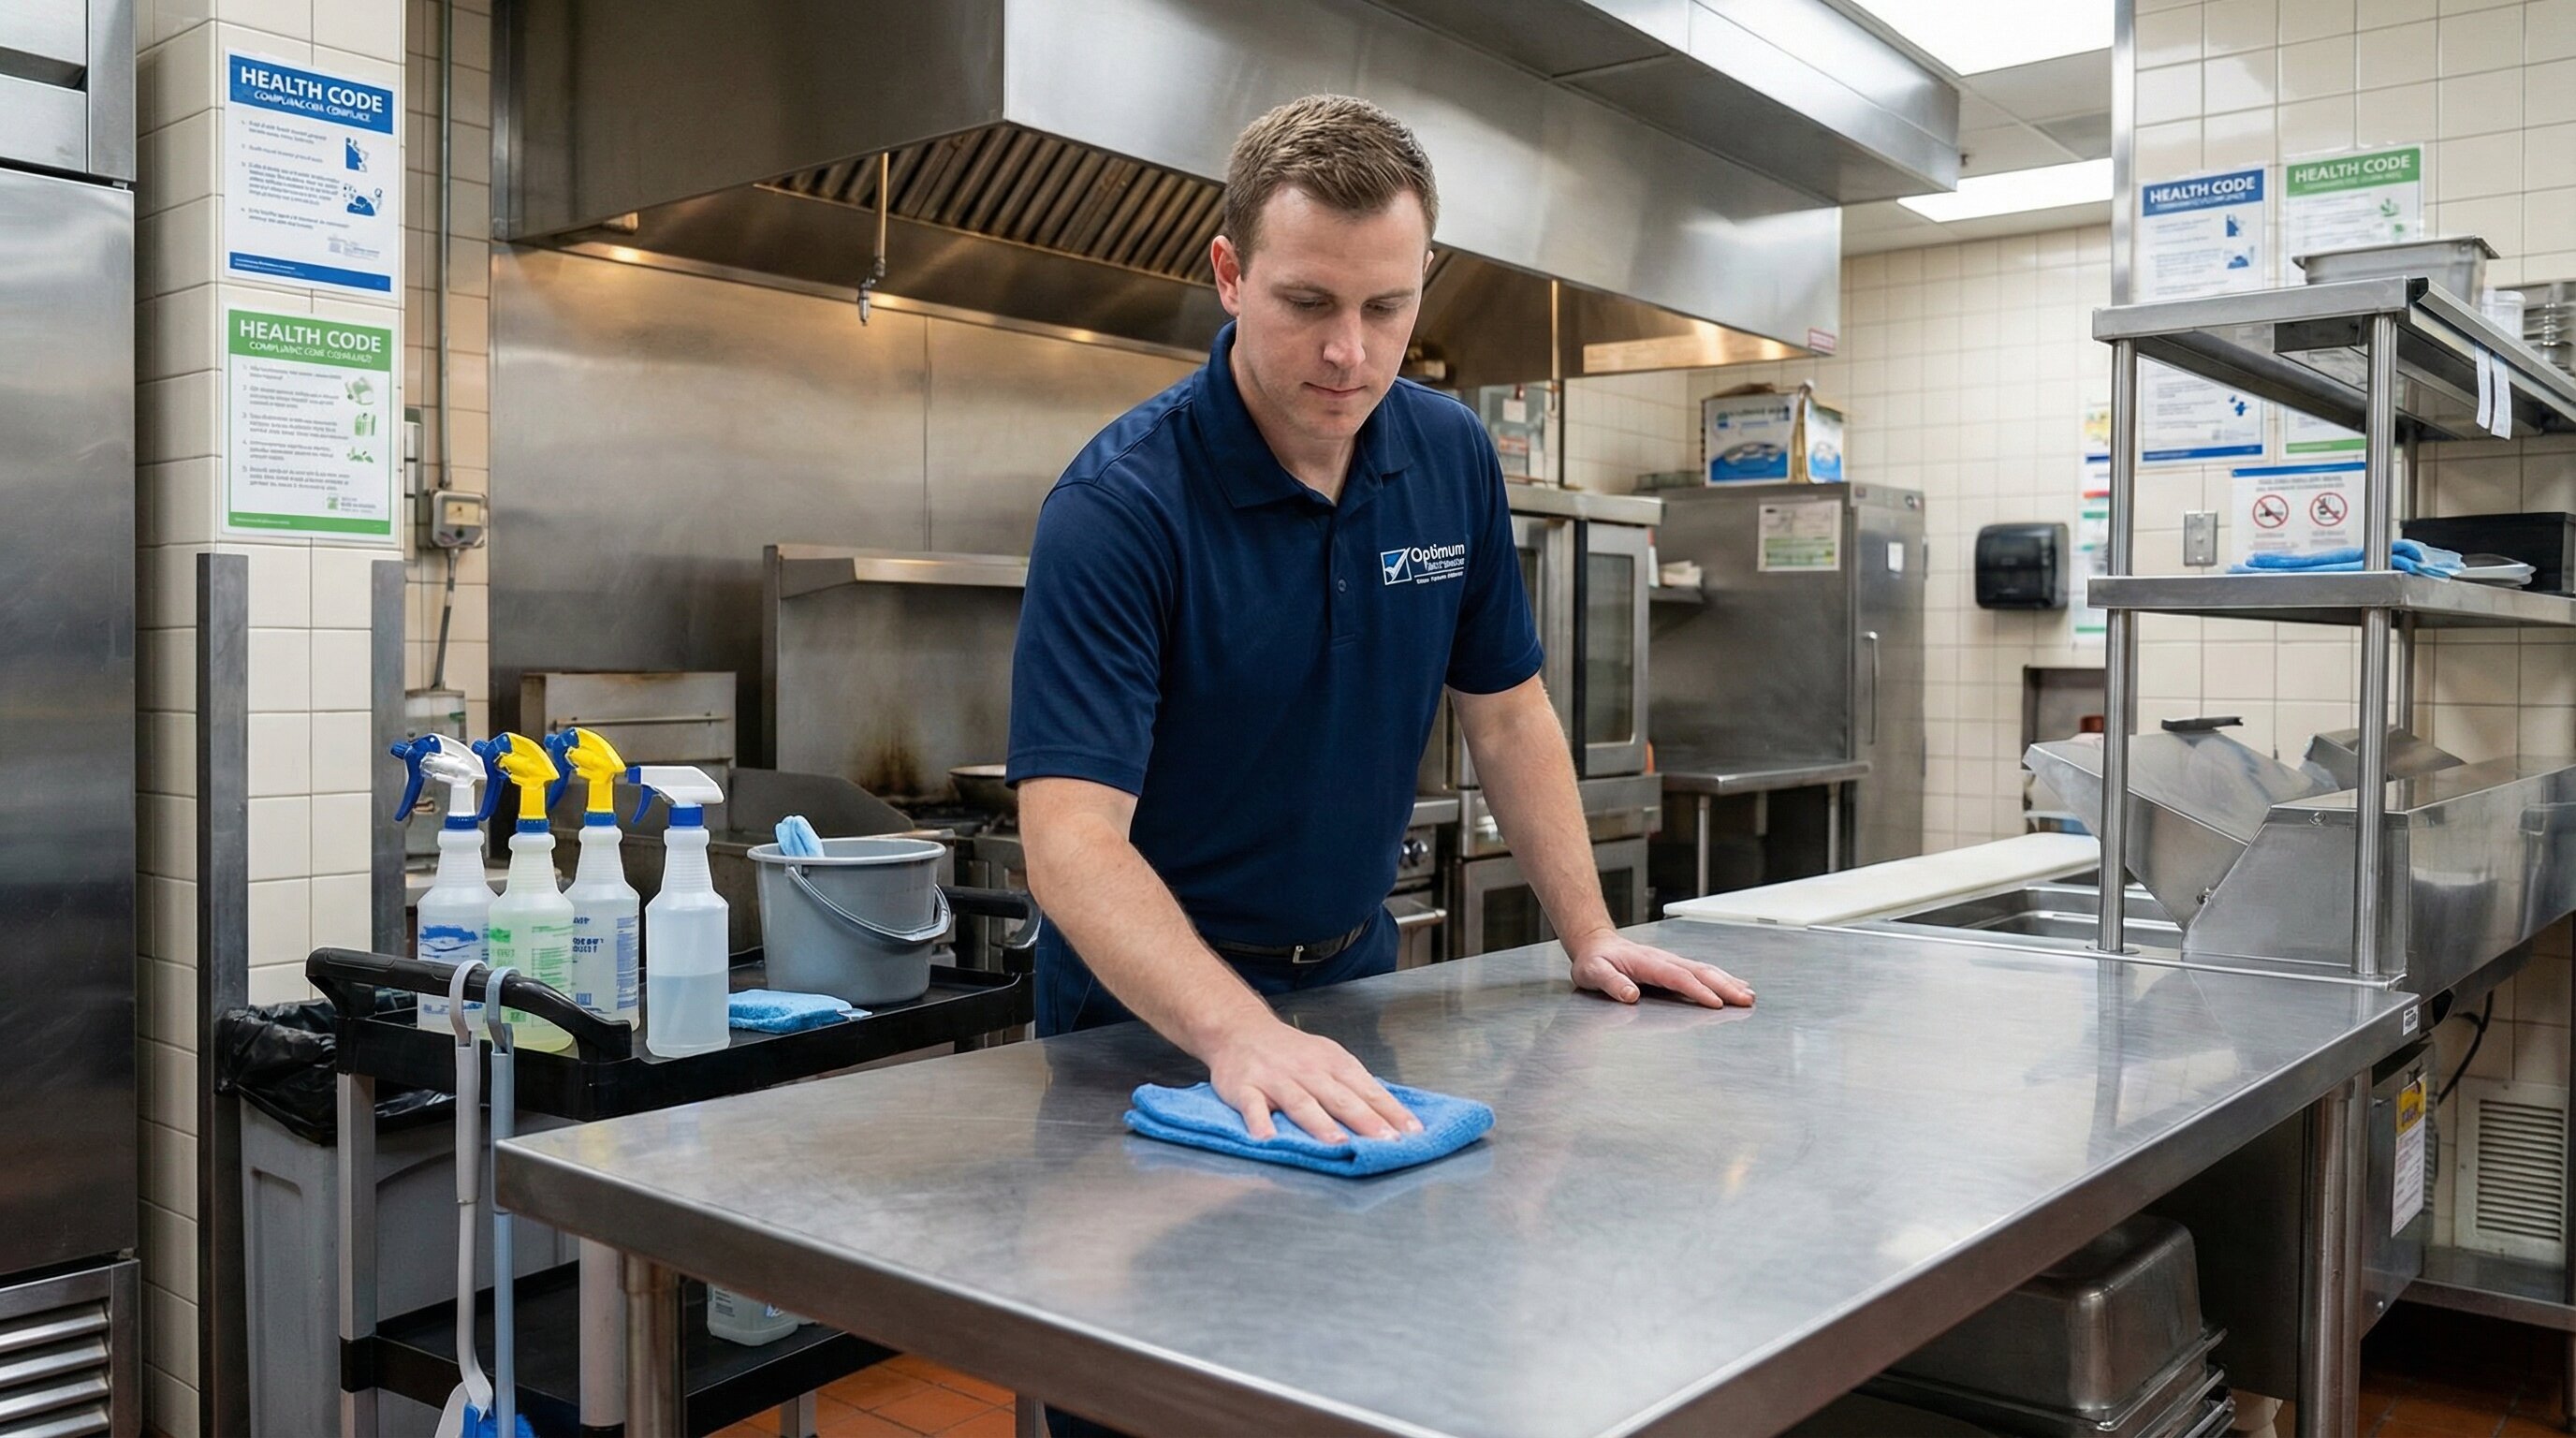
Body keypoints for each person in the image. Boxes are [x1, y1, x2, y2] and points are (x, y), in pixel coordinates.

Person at [1007, 94, 1753, 1152]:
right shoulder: (1120, 507)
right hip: (1146, 1019)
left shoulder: (1450, 455)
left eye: (1386, 307)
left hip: (1353, 985)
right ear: (1229, 274)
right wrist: (1240, 1033)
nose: (1348, 353)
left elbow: (1507, 715)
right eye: (1306, 302)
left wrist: (1589, 933)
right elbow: (1072, 840)